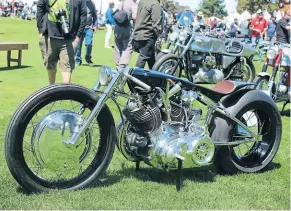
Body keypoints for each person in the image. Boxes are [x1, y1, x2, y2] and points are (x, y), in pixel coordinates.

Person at [37, 0, 87, 84]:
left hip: (69, 38)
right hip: (50, 35)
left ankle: (66, 92)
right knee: (50, 64)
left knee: (67, 66)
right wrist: (41, 30)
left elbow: (83, 15)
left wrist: (78, 36)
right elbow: (40, 7)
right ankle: (51, 89)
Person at [133, 0, 162, 69]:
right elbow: (156, 23)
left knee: (151, 57)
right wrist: (160, 36)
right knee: (144, 56)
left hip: (138, 33)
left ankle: (155, 76)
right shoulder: (155, 4)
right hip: (147, 35)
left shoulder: (142, 1)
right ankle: (136, 76)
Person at [113, 0, 137, 69]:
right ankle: (122, 65)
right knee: (128, 47)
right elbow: (134, 17)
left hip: (117, 27)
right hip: (126, 28)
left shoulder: (121, 2)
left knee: (117, 46)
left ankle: (117, 64)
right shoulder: (133, 4)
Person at [75, 0, 98, 66]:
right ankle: (78, 60)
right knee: (78, 45)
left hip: (89, 28)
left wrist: (95, 25)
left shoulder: (92, 3)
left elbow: (95, 16)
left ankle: (88, 59)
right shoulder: (79, 2)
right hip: (80, 28)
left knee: (89, 44)